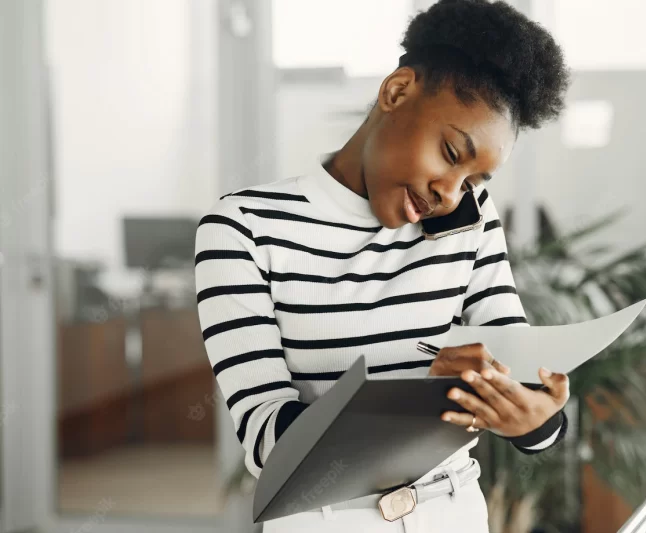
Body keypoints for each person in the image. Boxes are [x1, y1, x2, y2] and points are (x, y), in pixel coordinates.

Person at [194, 1, 571, 531]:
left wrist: (538, 418)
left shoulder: (468, 221)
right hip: (327, 520)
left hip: (454, 510)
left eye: (472, 181)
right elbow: (267, 440)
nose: (449, 191)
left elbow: (516, 365)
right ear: (396, 92)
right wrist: (422, 399)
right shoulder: (245, 228)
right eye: (449, 152)